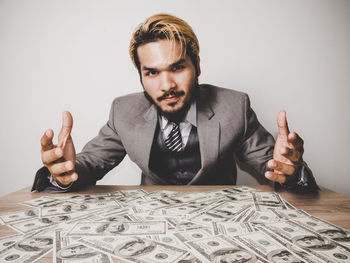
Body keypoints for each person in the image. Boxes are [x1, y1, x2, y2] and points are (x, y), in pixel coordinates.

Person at [32, 13, 318, 192]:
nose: (166, 85)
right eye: (152, 73)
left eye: (177, 68)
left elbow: (276, 168)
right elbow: (89, 163)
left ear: (198, 67)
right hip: (150, 229)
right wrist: (64, 173)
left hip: (219, 228)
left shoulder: (235, 107)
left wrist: (291, 172)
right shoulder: (124, 111)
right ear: (141, 76)